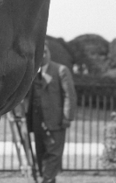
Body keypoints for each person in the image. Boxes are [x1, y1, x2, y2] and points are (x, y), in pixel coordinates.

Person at [26, 42, 77, 183]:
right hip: (37, 122)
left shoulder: (61, 70)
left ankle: (47, 180)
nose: (42, 55)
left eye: (45, 51)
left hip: (56, 121)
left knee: (54, 153)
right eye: (40, 52)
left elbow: (69, 95)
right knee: (41, 153)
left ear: (49, 53)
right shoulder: (33, 73)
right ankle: (49, 179)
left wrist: (67, 117)